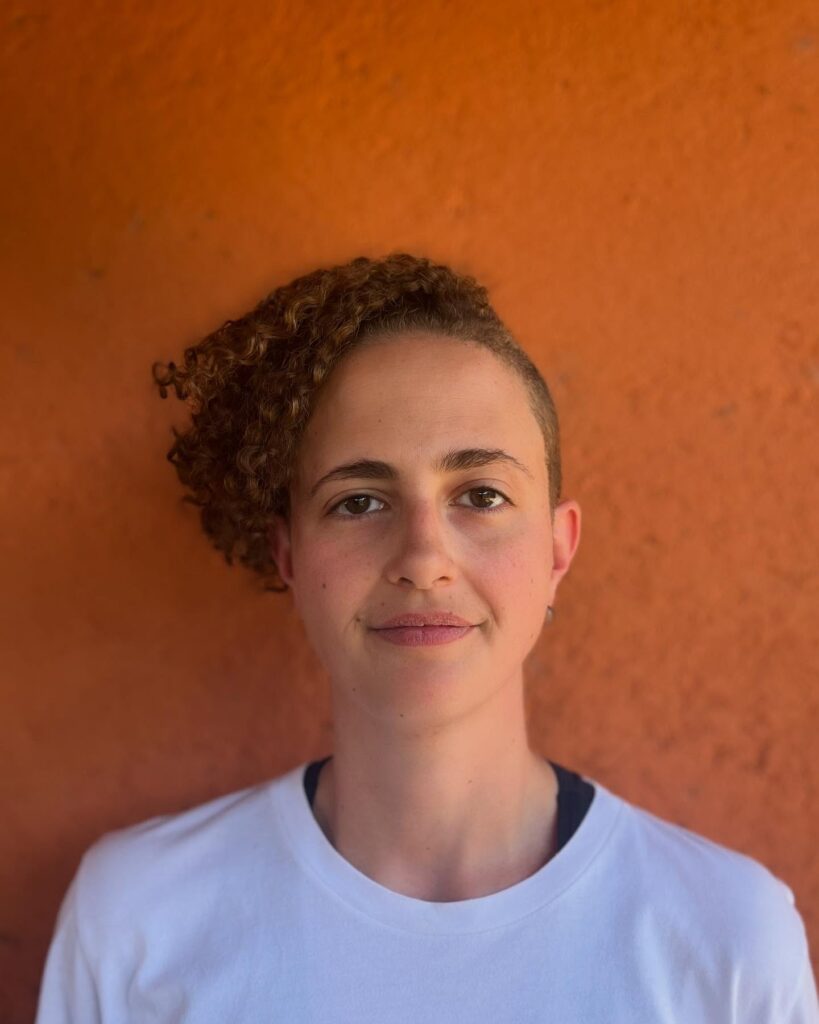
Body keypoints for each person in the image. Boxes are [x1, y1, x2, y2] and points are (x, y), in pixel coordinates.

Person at [35, 253, 818, 1022]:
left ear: (556, 550)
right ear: (288, 556)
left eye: (479, 494)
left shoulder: (726, 939)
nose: (422, 559)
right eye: (358, 502)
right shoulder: (137, 919)